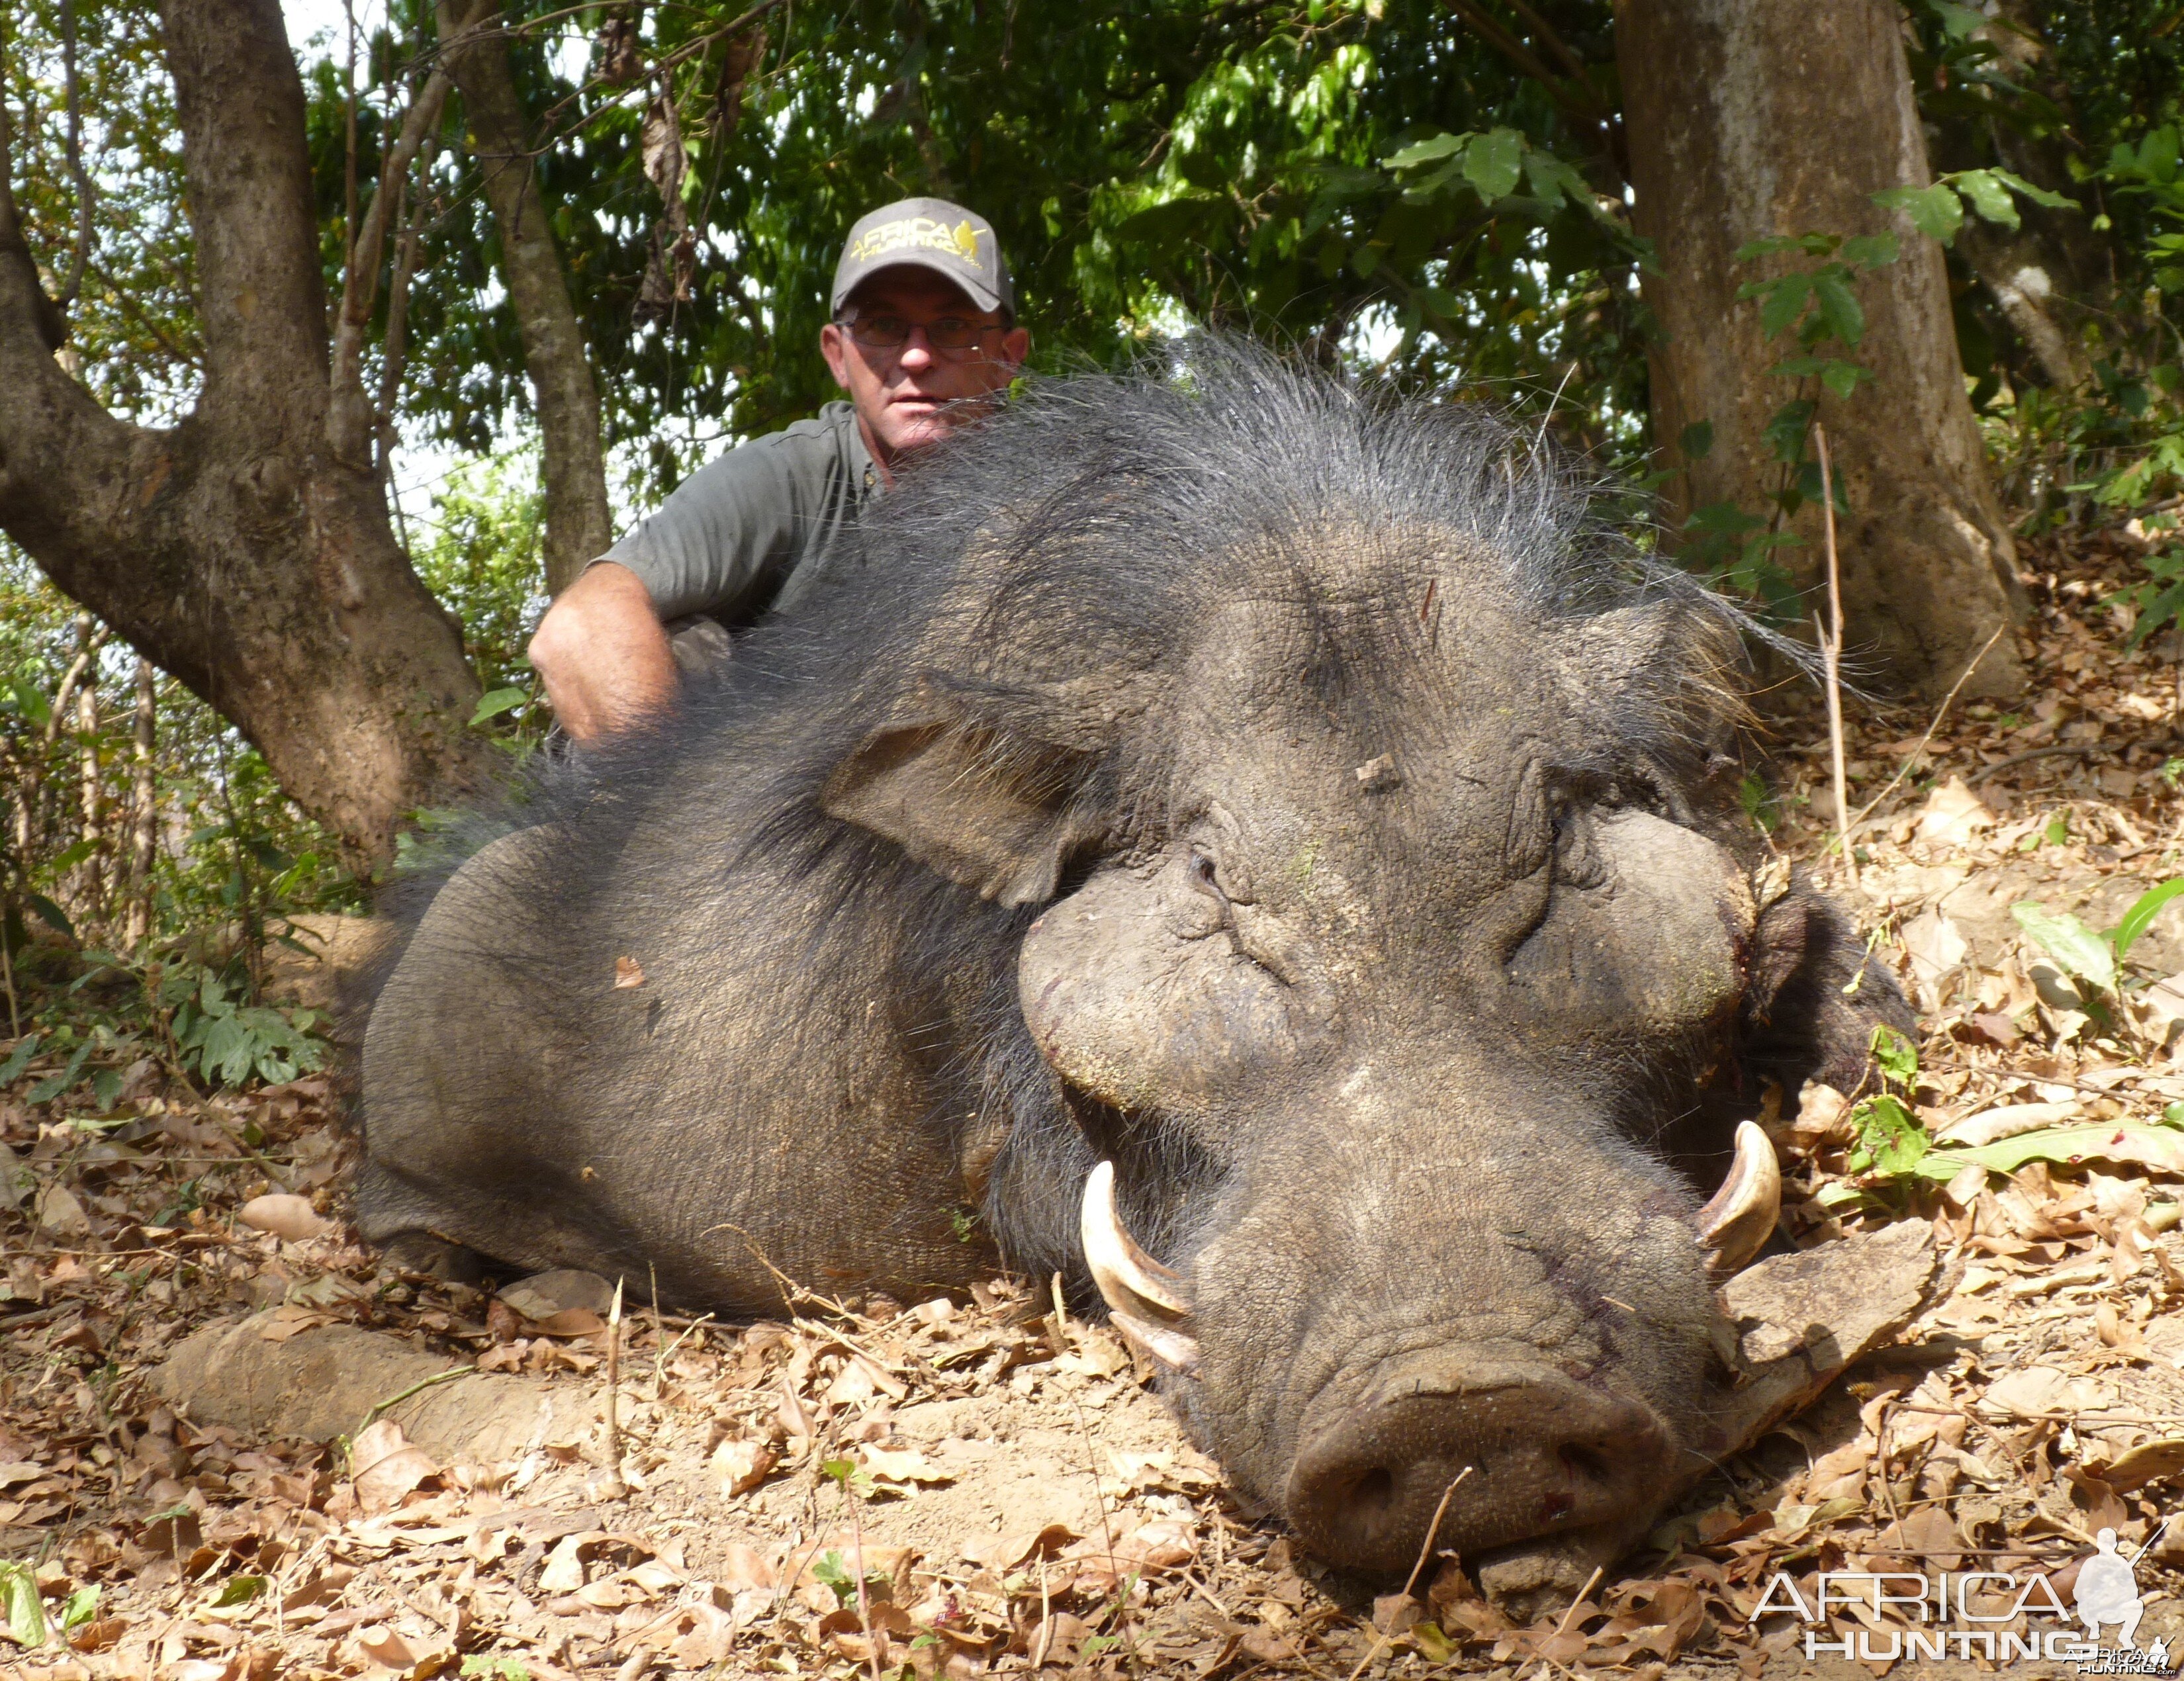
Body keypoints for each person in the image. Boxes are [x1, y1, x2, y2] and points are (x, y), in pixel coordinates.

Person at [528, 197, 1030, 742]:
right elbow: (579, 627)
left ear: (1009, 356)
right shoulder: (787, 475)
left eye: (952, 327)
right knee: (682, 648)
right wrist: (673, 815)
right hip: (748, 794)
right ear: (837, 356)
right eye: (884, 327)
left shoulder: (1059, 501)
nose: (915, 357)